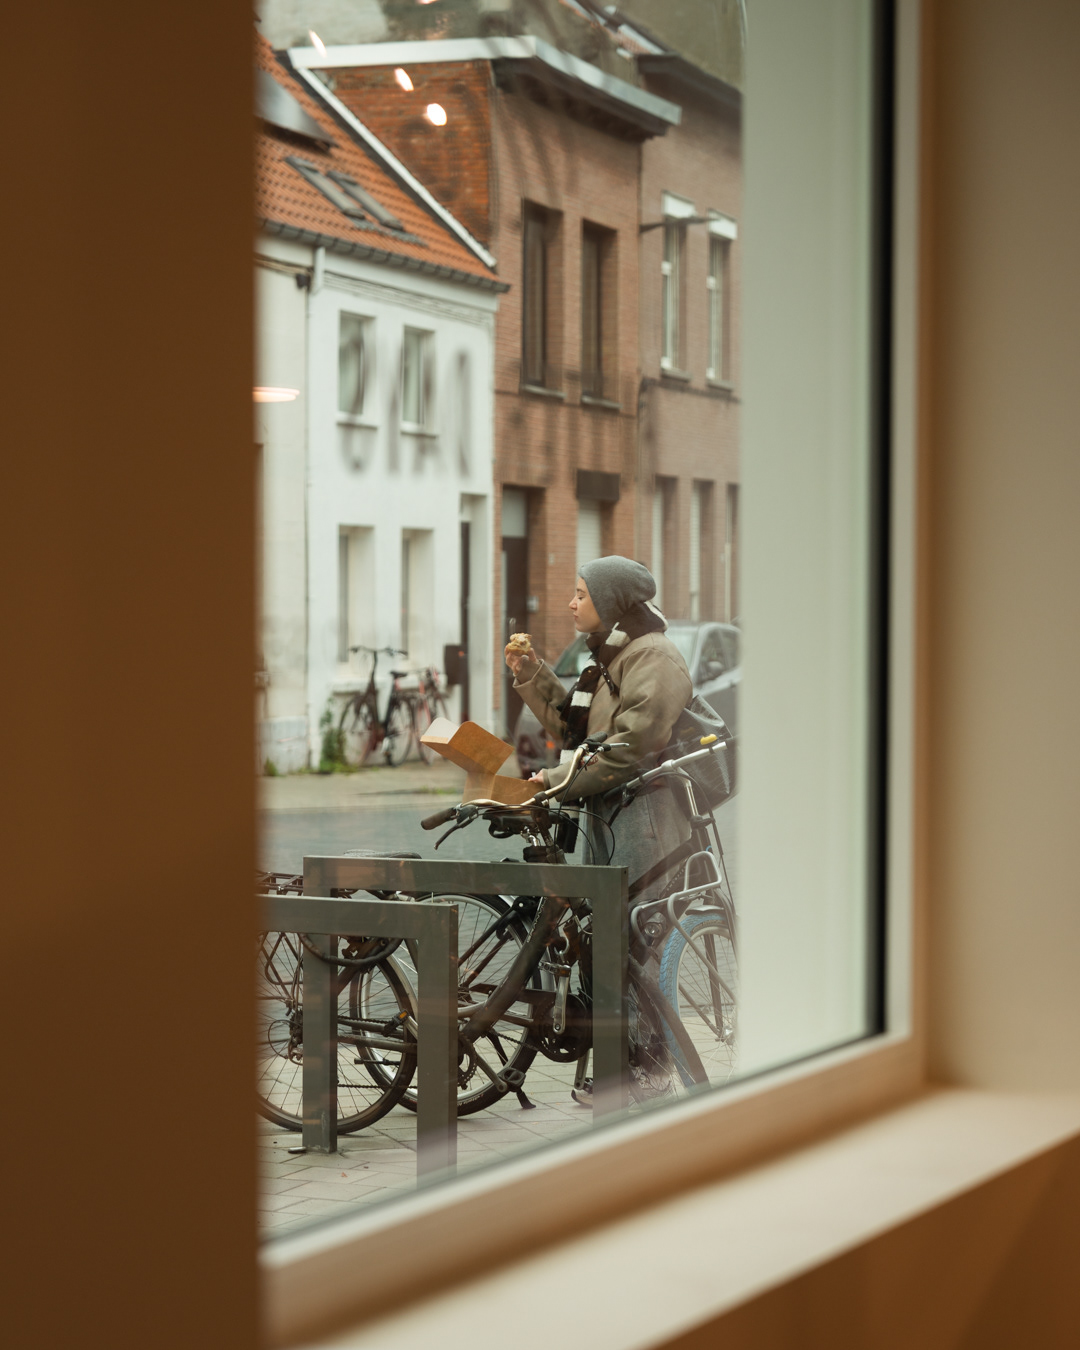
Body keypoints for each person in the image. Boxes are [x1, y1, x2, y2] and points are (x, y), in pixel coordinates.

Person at [504, 555, 693, 902]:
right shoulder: (612, 654)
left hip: (643, 818)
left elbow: (633, 746)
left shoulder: (650, 655)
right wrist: (530, 673)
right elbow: (576, 729)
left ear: (609, 602)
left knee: (638, 928)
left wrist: (556, 778)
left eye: (581, 595)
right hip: (611, 811)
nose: (571, 603)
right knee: (606, 924)